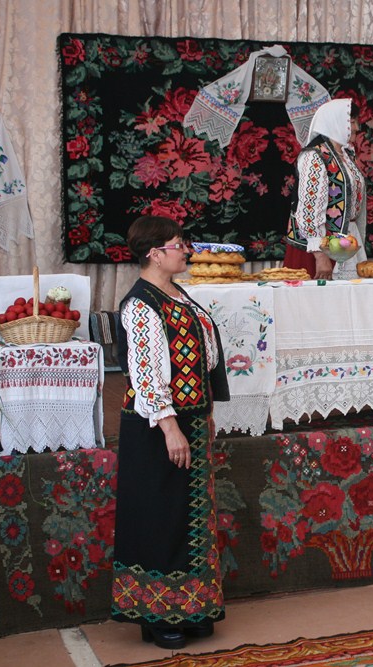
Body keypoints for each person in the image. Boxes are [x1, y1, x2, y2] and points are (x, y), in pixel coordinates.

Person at [111, 215, 230, 650]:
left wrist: (203, 412)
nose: (187, 251)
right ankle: (156, 614)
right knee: (160, 516)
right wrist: (169, 427)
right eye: (179, 245)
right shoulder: (141, 304)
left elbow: (203, 354)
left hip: (191, 420)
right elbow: (145, 373)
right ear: (154, 253)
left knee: (189, 519)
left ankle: (192, 605)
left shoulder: (177, 294)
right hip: (158, 426)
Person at [284, 98, 367, 280]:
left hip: (344, 241)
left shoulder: (345, 155)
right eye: (352, 122)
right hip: (320, 247)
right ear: (335, 122)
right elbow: (308, 208)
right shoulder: (314, 156)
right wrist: (320, 255)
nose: (356, 128)